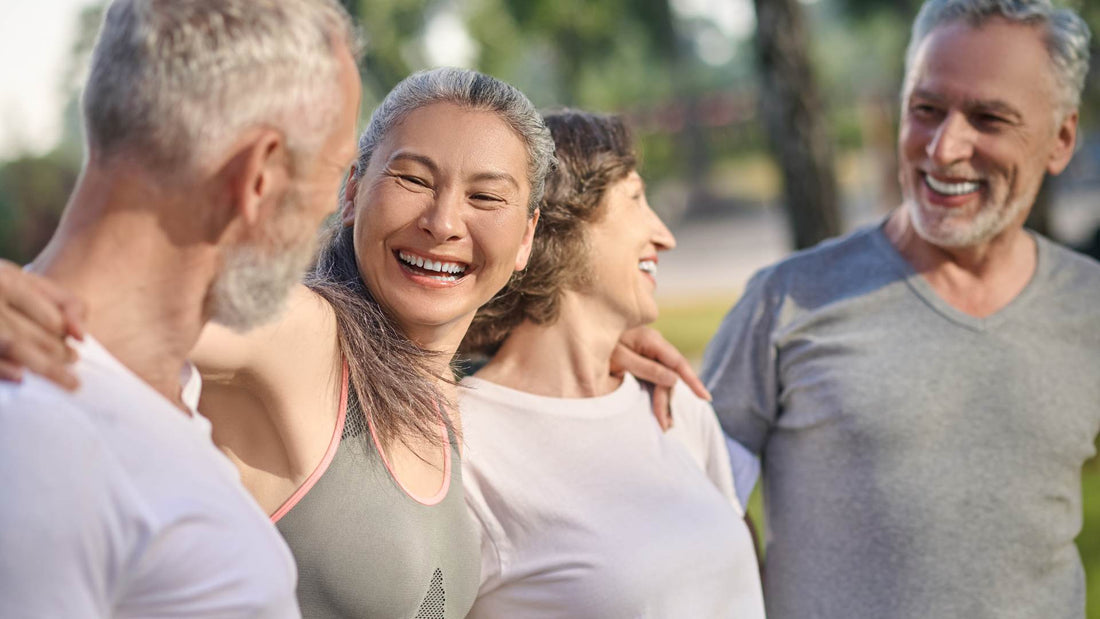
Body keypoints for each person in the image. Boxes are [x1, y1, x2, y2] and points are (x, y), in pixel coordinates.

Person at [701, 1, 1099, 617]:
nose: (944, 150)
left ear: (1061, 138)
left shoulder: (1090, 307)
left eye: (990, 118)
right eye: (926, 110)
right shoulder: (784, 302)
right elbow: (690, 501)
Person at [0, 0, 362, 616]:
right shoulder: (46, 432)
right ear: (259, 177)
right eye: (335, 172)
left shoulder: (130, 407)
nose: (332, 209)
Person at [458, 111, 765, 618]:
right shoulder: (464, 447)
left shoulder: (669, 396)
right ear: (558, 223)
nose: (664, 235)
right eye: (636, 197)